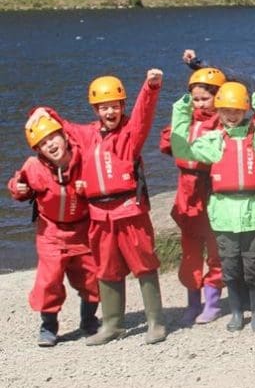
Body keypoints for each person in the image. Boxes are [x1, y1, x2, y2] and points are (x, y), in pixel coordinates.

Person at [30, 70, 166, 345]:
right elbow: (63, 126)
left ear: (122, 106)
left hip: (129, 210)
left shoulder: (130, 133)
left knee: (144, 264)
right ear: (96, 109)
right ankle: (112, 324)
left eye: (114, 105)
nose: (110, 111)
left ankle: (156, 322)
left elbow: (144, 114)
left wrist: (151, 87)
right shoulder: (87, 134)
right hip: (99, 214)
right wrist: (42, 110)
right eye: (104, 107)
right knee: (105, 268)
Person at [171, 82, 255, 332]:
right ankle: (237, 312)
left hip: (254, 215)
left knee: (254, 267)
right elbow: (181, 148)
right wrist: (181, 112)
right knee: (230, 267)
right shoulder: (214, 141)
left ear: (245, 110)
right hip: (224, 216)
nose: (232, 115)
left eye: (237, 110)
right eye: (226, 110)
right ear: (219, 111)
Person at [8, 115, 99, 346]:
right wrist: (19, 189)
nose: (50, 144)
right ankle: (48, 326)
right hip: (50, 232)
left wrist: (88, 188)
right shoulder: (33, 166)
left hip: (82, 230)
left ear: (65, 136)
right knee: (49, 281)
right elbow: (19, 186)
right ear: (38, 149)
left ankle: (89, 321)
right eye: (42, 143)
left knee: (92, 278)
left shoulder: (84, 158)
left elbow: (102, 180)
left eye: (52, 137)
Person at [159, 67, 225, 325]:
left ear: (218, 97)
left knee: (216, 249)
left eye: (205, 98)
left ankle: (213, 302)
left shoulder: (224, 122)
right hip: (187, 195)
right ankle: (192, 301)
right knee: (190, 251)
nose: (199, 104)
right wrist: (181, 123)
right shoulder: (186, 122)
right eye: (195, 99)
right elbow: (166, 143)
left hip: (212, 192)